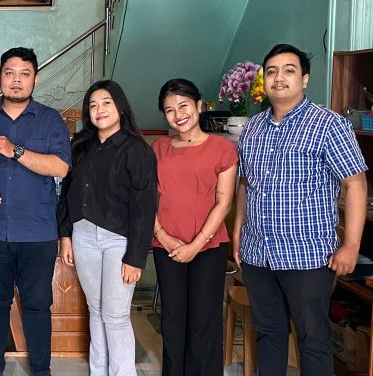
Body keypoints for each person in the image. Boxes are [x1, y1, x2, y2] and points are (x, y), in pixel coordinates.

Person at [233, 43, 368, 375]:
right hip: (258, 253)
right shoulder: (252, 127)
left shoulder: (328, 125)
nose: (279, 78)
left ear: (304, 79)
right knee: (269, 335)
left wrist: (351, 246)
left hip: (307, 257)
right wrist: (238, 233)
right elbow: (245, 185)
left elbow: (355, 184)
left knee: (313, 340)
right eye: (272, 71)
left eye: (289, 70)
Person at [0, 47, 71, 376]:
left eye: (24, 74)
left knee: (37, 306)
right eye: (9, 73)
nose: (16, 80)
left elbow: (61, 167)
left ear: (35, 79)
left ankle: (41, 371)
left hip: (37, 233)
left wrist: (16, 151)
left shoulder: (50, 119)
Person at [57, 80, 157, 376]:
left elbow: (144, 207)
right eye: (93, 105)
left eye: (106, 103)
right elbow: (68, 193)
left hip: (119, 241)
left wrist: (135, 257)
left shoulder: (136, 150)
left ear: (120, 107)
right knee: (97, 311)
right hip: (83, 237)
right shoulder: (80, 147)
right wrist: (65, 235)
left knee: (116, 316)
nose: (99, 110)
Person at [151, 78, 237, 375]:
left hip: (209, 247)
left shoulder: (222, 148)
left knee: (204, 320)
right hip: (166, 246)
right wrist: (163, 236)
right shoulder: (159, 148)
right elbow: (146, 198)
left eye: (183, 105)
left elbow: (224, 202)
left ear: (199, 105)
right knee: (172, 319)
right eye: (169, 109)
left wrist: (196, 245)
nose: (178, 114)